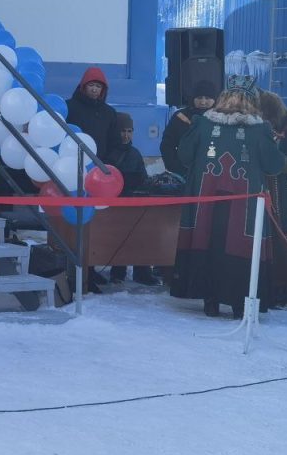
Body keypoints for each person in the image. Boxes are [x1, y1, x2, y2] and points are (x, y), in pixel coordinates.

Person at [170, 75, 287, 318]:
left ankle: (211, 301)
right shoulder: (260, 130)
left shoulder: (203, 124)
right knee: (242, 248)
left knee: (207, 242)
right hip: (245, 209)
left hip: (206, 206)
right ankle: (240, 303)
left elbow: (184, 156)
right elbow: (273, 165)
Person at [66, 66, 120, 288]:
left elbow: (114, 142)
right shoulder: (70, 108)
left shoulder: (109, 113)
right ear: (83, 86)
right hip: (72, 172)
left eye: (98, 87)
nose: (95, 90)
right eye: (91, 85)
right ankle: (76, 268)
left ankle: (90, 269)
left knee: (94, 226)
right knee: (75, 224)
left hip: (99, 176)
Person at [105, 113, 157, 285]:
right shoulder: (107, 152)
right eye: (122, 131)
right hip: (114, 205)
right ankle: (118, 271)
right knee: (118, 236)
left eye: (129, 131)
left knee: (141, 235)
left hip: (133, 203)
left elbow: (143, 178)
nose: (126, 135)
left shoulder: (135, 154)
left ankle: (141, 271)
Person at [259, 90, 287, 307]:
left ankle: (286, 286)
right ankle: (276, 285)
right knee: (273, 238)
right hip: (270, 188)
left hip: (286, 188)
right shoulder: (262, 129)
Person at [160, 80, 217, 179]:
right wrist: (177, 169)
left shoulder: (221, 119)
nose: (203, 102)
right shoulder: (180, 118)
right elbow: (167, 145)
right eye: (199, 98)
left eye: (207, 98)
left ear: (215, 99)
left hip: (215, 174)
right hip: (185, 174)